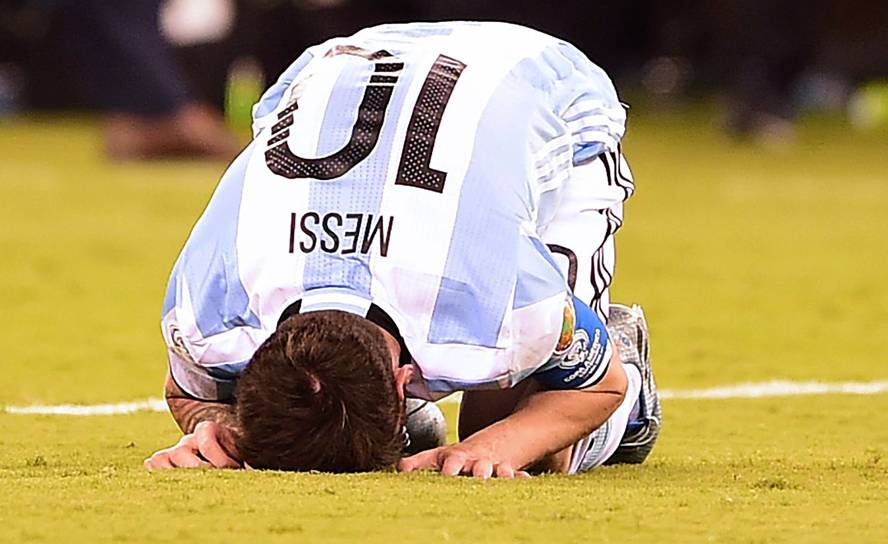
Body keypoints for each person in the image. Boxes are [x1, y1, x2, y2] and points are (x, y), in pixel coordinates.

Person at [145, 21, 661, 478]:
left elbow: (598, 385)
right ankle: (405, 429)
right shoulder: (209, 304)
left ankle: (634, 396)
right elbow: (188, 389)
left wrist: (496, 444)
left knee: (530, 438)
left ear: (402, 383)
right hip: (340, 60)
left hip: (545, 86)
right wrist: (216, 423)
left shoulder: (504, 300)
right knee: (327, 422)